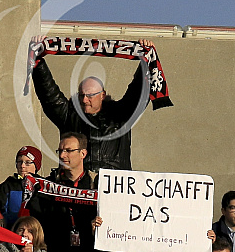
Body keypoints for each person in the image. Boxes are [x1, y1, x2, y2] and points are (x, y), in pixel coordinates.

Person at [30, 35, 154, 172]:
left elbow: (138, 93)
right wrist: (38, 60)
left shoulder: (120, 115)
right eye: (81, 95)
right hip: (78, 185)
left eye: (90, 95)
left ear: (102, 95)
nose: (84, 100)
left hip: (112, 185)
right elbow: (49, 95)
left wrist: (146, 61)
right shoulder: (69, 115)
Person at [28, 132, 110, 252]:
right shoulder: (47, 186)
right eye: (60, 151)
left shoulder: (99, 186)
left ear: (83, 153)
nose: (62, 155)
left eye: (68, 151)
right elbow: (39, 222)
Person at [0, 146, 43, 229]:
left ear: (36, 166)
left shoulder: (43, 186)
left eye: (28, 162)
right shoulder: (7, 186)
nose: (22, 166)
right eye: (19, 162)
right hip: (12, 231)